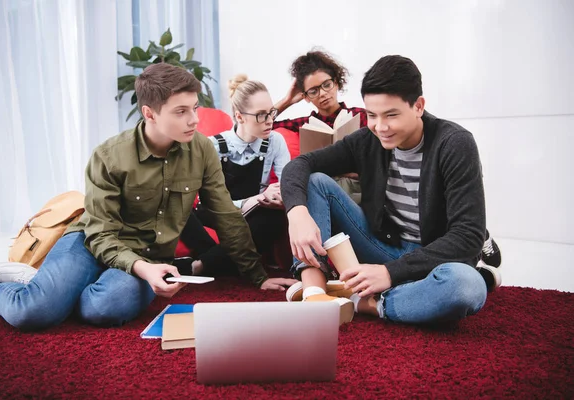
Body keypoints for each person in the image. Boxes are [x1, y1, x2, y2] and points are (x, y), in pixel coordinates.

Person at [0, 63, 294, 330]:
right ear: (150, 114)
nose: (195, 120)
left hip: (148, 253)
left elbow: (225, 215)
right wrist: (141, 269)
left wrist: (258, 276)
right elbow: (100, 234)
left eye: (194, 108)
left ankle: (57, 291)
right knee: (34, 313)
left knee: (106, 309)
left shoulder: (201, 151)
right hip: (90, 243)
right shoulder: (109, 155)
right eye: (181, 111)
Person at [281, 55, 501, 325]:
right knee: (316, 182)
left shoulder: (455, 143)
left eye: (391, 115)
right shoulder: (368, 139)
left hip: (434, 259)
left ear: (418, 106)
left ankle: (366, 303)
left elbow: (467, 237)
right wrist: (297, 213)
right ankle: (315, 292)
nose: (380, 127)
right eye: (372, 115)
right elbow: (301, 165)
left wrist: (389, 273)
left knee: (465, 286)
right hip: (383, 247)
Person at [178, 75, 292, 277]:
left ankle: (200, 266)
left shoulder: (275, 141)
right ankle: (223, 262)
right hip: (214, 212)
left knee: (273, 220)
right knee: (180, 210)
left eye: (271, 113)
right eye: (261, 115)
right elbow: (204, 200)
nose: (270, 121)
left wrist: (279, 196)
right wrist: (250, 200)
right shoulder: (212, 145)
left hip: (252, 215)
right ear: (240, 117)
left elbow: (288, 185)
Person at [273, 49, 366, 204]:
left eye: (326, 85)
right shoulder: (306, 124)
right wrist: (287, 101)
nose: (322, 93)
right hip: (321, 190)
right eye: (313, 91)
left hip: (357, 189)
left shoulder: (361, 116)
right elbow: (261, 125)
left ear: (336, 82)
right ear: (306, 97)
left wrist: (358, 173)